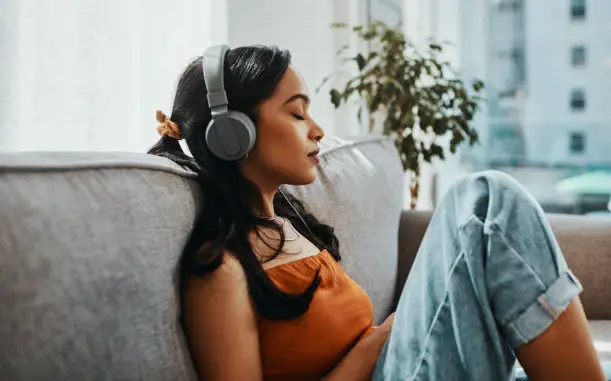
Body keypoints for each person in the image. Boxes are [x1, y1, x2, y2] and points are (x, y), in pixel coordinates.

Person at [148, 44, 606, 381]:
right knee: (484, 202)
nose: (318, 130)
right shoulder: (221, 272)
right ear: (234, 134)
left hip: (397, 363)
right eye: (297, 114)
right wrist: (369, 348)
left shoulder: (290, 226)